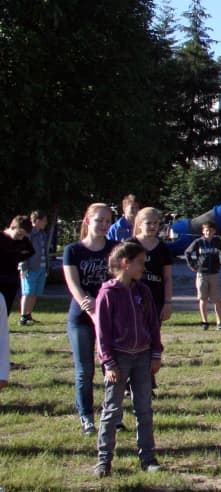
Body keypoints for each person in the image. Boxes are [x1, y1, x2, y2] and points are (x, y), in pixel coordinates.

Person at [92, 242, 163, 478]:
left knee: (144, 408)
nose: (144, 267)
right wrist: (108, 362)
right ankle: (104, 461)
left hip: (143, 357)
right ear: (126, 263)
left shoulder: (142, 291)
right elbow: (102, 333)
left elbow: (153, 324)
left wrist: (155, 353)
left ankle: (148, 458)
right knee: (112, 410)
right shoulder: (107, 294)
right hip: (119, 359)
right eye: (141, 263)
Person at [62, 203, 116, 435]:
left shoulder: (116, 248)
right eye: (99, 220)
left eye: (107, 221)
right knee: (85, 370)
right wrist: (90, 307)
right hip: (81, 316)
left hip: (110, 314)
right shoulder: (73, 250)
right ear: (87, 221)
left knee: (111, 366)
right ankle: (86, 417)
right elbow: (74, 284)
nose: (104, 225)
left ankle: (112, 413)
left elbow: (119, 280)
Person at [125, 208, 174, 324]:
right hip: (132, 298)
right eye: (148, 223)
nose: (153, 226)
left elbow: (167, 278)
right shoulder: (129, 245)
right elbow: (121, 274)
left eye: (156, 223)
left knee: (153, 338)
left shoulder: (163, 248)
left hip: (155, 299)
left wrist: (167, 303)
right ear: (140, 224)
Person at [184, 221, 221, 330]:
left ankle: (219, 322)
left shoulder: (217, 242)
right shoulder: (198, 242)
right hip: (201, 273)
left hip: (214, 273)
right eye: (206, 230)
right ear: (203, 231)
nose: (208, 232)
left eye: (210, 230)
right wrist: (193, 266)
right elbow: (187, 253)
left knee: (217, 299)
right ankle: (204, 321)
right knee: (202, 298)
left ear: (214, 231)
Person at [18, 211, 51, 325]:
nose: (46, 223)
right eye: (44, 221)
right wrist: (24, 267)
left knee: (35, 292)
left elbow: (44, 251)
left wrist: (47, 267)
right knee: (27, 292)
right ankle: (23, 317)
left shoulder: (42, 234)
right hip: (30, 268)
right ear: (37, 221)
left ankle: (28, 315)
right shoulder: (28, 233)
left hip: (41, 267)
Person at [0, 215, 35, 317]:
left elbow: (31, 251)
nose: (21, 237)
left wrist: (17, 256)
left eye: (24, 235)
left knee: (5, 310)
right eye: (20, 234)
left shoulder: (23, 241)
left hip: (11, 280)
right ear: (13, 227)